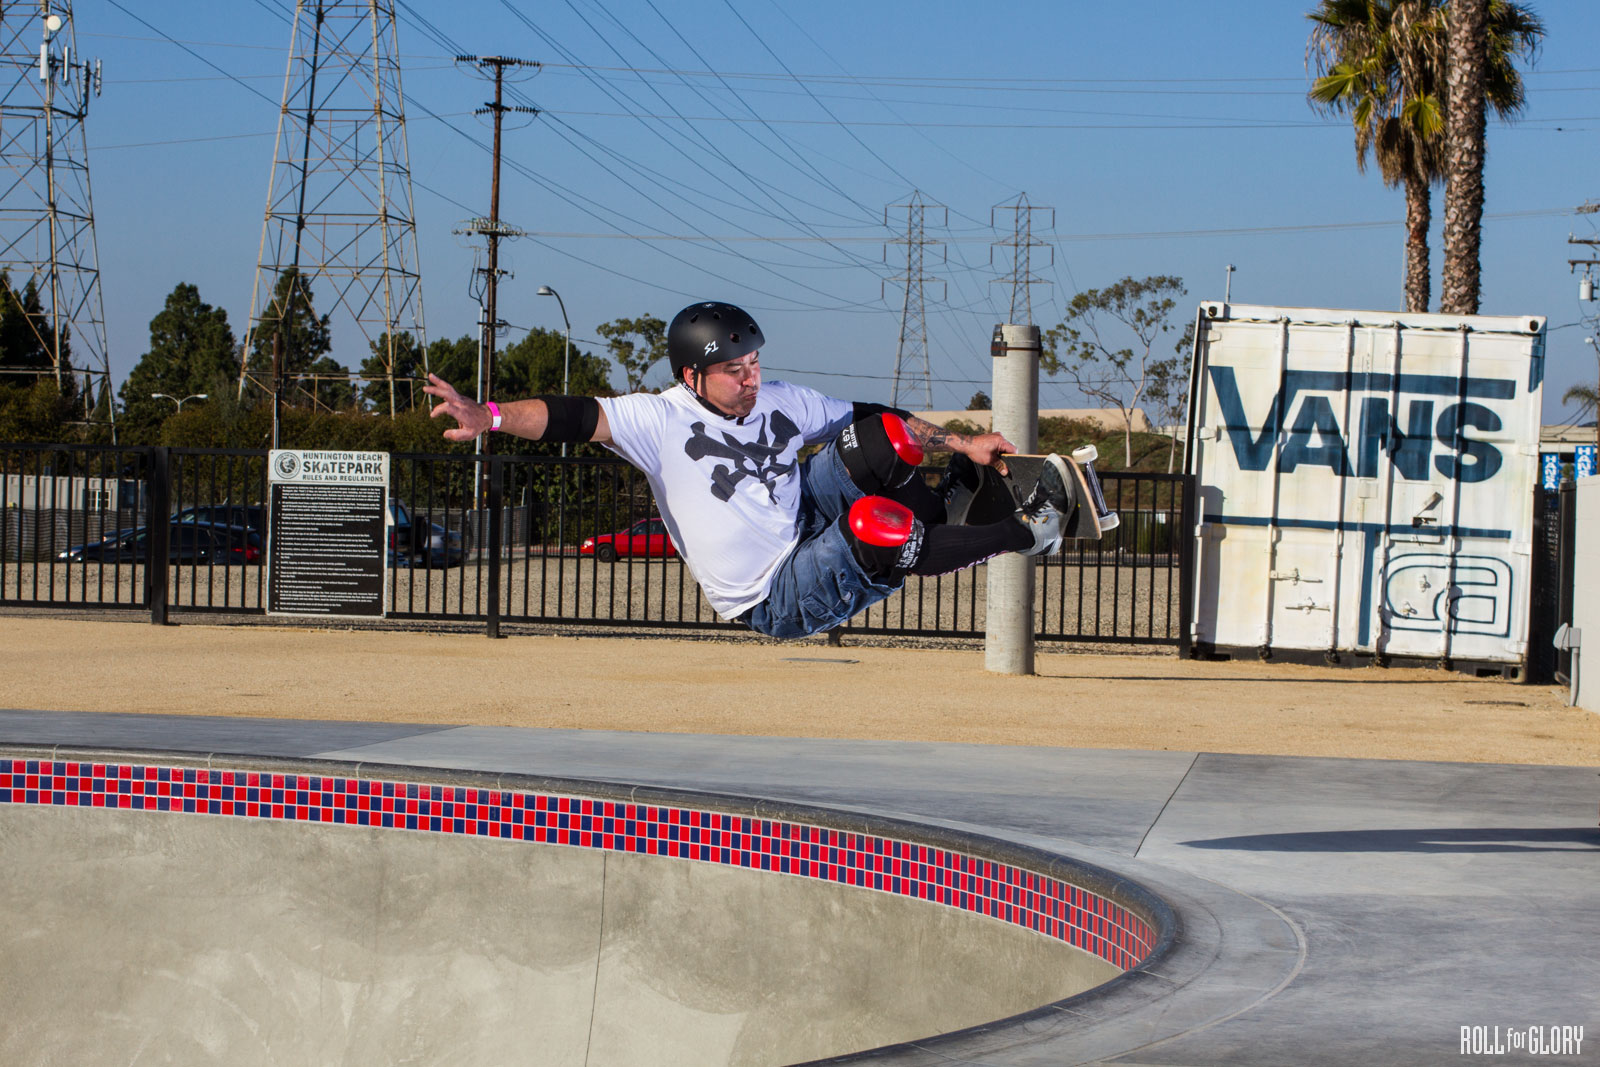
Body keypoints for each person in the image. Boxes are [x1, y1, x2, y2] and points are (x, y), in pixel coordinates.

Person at [423, 300, 1096, 640]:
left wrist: (962, 442)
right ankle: (1028, 533)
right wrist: (492, 415)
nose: (752, 381)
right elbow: (572, 417)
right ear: (692, 375)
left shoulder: (782, 400)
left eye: (754, 366)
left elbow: (874, 416)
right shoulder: (656, 421)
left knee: (883, 437)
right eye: (734, 372)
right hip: (775, 593)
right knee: (870, 527)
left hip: (804, 518)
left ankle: (950, 504)